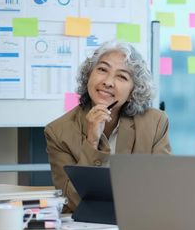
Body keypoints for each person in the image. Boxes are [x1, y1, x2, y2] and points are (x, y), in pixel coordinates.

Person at [45, 40, 171, 212]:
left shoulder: (155, 122)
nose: (108, 82)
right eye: (102, 69)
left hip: (138, 222)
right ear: (89, 75)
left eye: (122, 76)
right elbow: (71, 202)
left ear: (134, 90)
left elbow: (163, 189)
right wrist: (92, 142)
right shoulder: (58, 132)